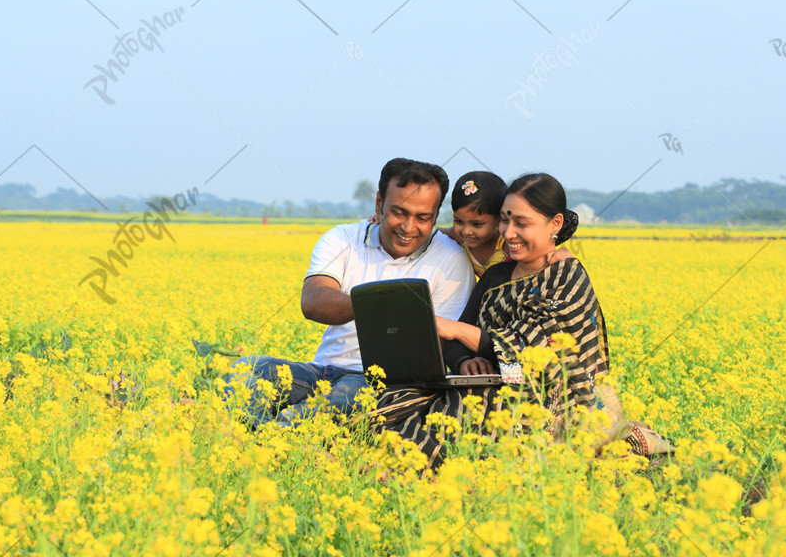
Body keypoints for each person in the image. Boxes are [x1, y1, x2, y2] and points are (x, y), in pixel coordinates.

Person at [375, 173, 672, 469]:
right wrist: (465, 360)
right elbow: (453, 341)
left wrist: (458, 330)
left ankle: (421, 463)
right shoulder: (495, 277)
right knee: (395, 398)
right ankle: (405, 458)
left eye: (522, 223)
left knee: (475, 414)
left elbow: (534, 353)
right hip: (494, 384)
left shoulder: (566, 275)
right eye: (505, 220)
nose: (509, 231)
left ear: (554, 224)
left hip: (557, 403)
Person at [228, 158, 475, 428]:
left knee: (347, 397)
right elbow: (313, 302)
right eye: (399, 212)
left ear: (436, 215)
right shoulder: (343, 238)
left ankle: (270, 436)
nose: (408, 227)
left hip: (380, 383)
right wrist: (384, 306)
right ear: (379, 204)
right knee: (247, 369)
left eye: (423, 217)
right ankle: (257, 437)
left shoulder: (452, 259)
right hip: (319, 371)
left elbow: (436, 349)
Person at [439, 171, 572, 277]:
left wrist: (563, 254)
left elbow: (542, 250)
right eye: (459, 221)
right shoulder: (456, 237)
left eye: (477, 224)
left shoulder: (507, 244)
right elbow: (431, 233)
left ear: (498, 219)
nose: (467, 231)